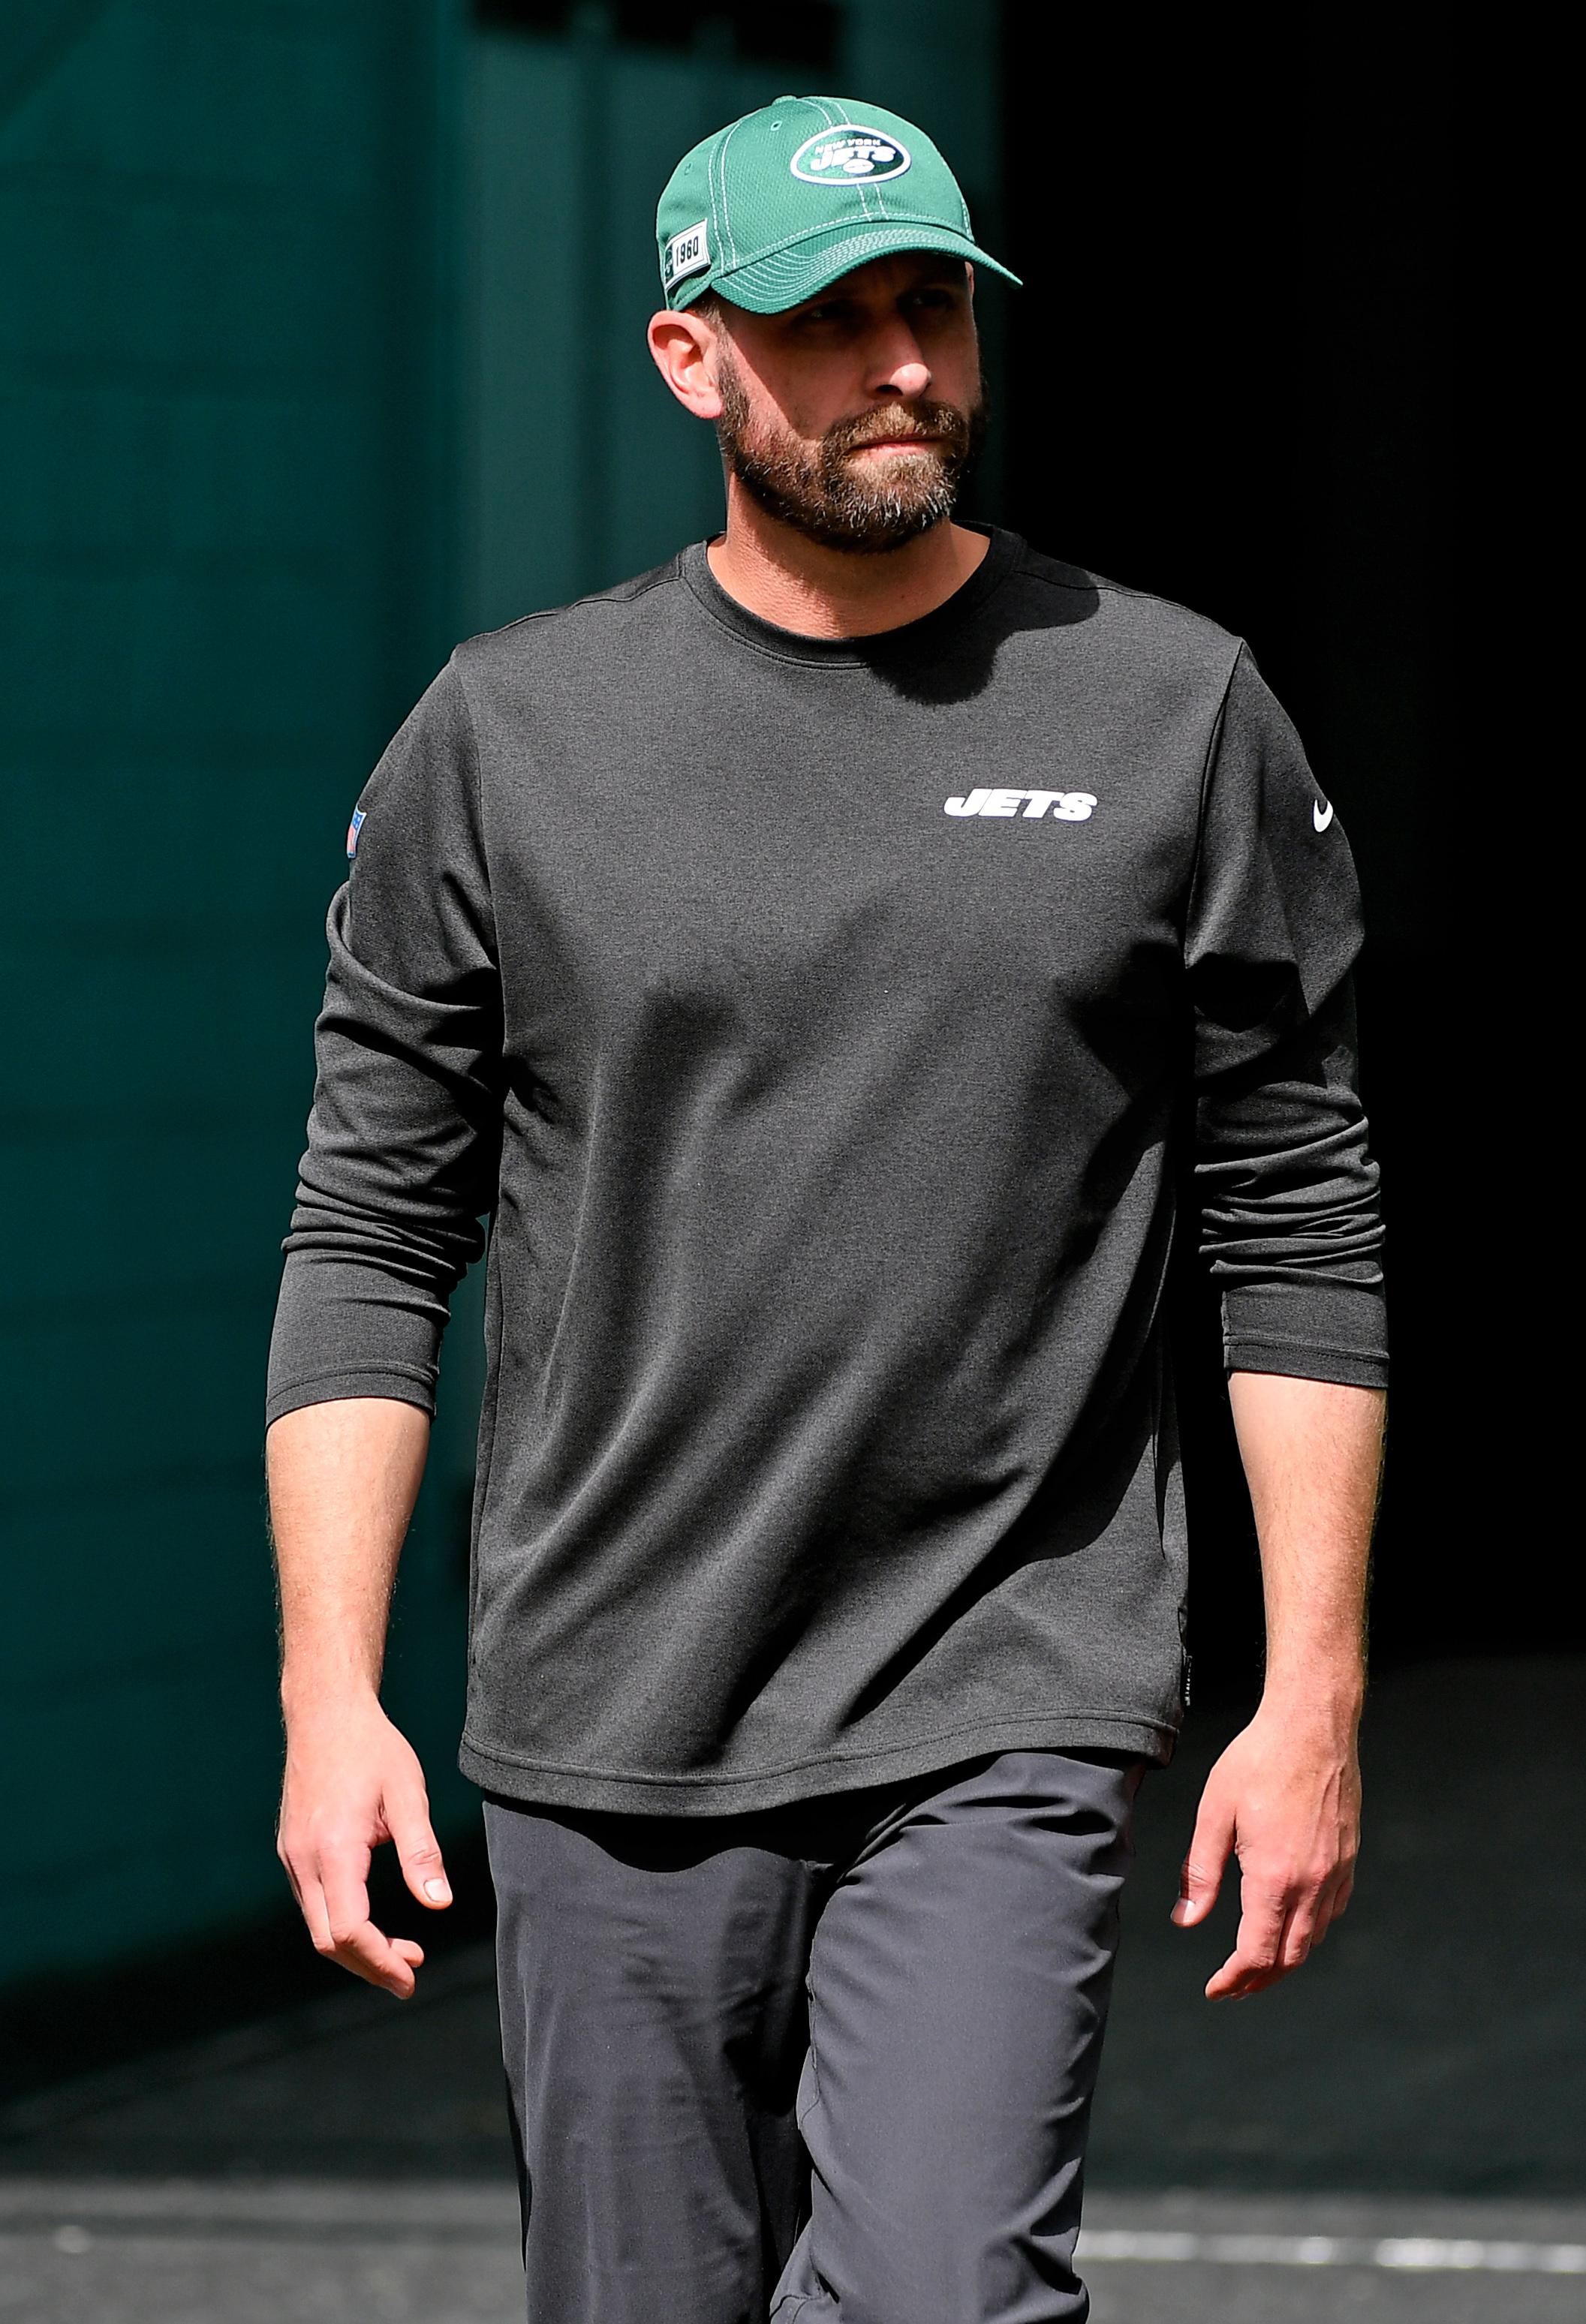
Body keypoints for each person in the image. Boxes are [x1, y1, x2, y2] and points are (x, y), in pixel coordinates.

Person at [266, 93, 1387, 2323]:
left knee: (944, 2297)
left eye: (932, 308)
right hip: (610, 1708)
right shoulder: (510, 737)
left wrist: (1311, 1691)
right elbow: (373, 1235)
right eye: (831, 318)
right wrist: (325, 1691)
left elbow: (1297, 1215)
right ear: (691, 357)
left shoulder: (1173, 711)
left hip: (1004, 1684)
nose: (904, 365)